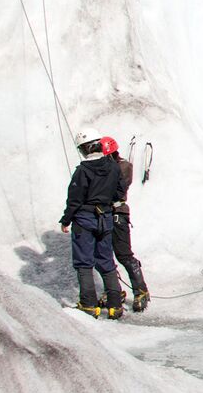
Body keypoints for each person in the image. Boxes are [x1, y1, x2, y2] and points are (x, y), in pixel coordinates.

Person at [59, 127, 126, 318]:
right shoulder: (113, 166)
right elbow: (120, 192)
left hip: (84, 219)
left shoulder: (83, 171)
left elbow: (74, 199)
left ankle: (89, 304)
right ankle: (115, 305)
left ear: (84, 149)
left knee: (84, 262)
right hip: (105, 217)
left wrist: (66, 220)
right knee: (106, 260)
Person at [100, 136, 150, 312]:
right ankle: (114, 289)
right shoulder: (103, 167)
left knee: (123, 254)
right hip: (102, 215)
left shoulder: (123, 166)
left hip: (117, 214)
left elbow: (118, 188)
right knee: (103, 256)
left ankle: (140, 289)